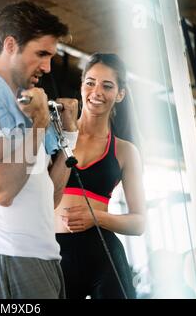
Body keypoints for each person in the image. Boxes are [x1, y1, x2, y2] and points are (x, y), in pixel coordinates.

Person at [0, 1, 78, 298]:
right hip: (11, 255)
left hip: (46, 255)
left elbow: (50, 197)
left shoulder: (25, 107)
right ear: (11, 45)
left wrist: (69, 133)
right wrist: (38, 125)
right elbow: (1, 191)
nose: (47, 67)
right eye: (41, 54)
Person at [54, 53, 147, 299]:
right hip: (53, 254)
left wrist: (97, 218)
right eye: (90, 82)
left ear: (120, 94)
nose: (96, 92)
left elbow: (139, 223)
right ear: (81, 85)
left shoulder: (125, 151)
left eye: (107, 86)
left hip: (104, 256)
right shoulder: (56, 134)